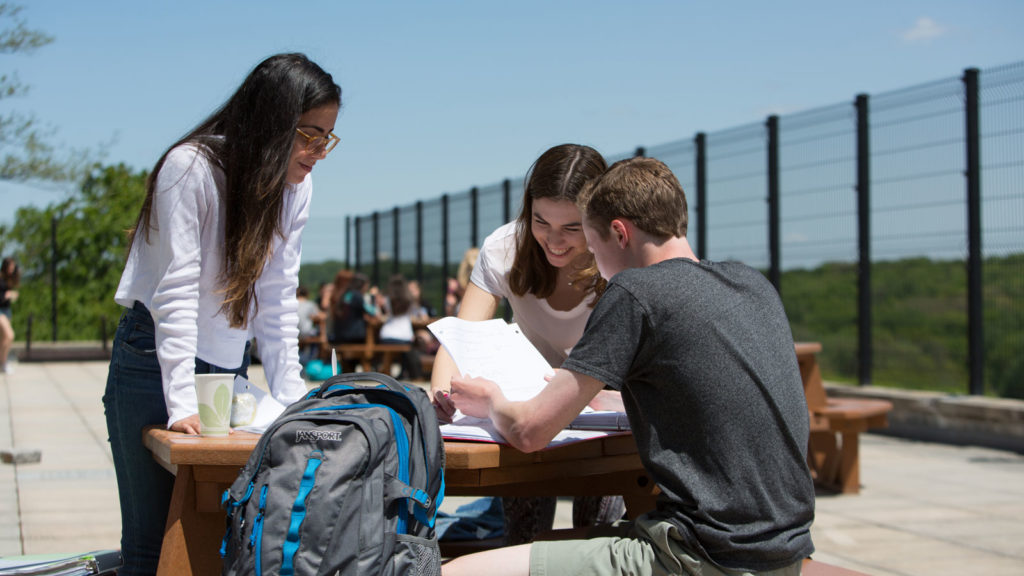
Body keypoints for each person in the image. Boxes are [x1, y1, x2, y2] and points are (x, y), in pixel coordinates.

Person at [442, 157, 816, 576]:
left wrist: (492, 399)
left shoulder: (635, 291)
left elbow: (529, 432)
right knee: (583, 535)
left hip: (700, 555)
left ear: (619, 233)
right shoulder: (752, 283)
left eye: (590, 243)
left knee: (456, 570)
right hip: (785, 554)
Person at [102, 53, 341, 576]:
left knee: (222, 542)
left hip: (226, 372)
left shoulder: (295, 188)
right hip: (153, 362)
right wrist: (181, 401)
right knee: (151, 544)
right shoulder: (190, 167)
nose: (319, 152)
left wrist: (290, 395)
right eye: (311, 135)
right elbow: (177, 290)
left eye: (328, 138)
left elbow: (279, 296)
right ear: (272, 121)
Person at [431, 144, 620, 544]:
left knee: (597, 539)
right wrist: (443, 393)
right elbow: (463, 335)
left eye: (572, 227)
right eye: (540, 221)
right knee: (525, 536)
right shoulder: (505, 248)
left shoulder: (618, 258)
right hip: (525, 406)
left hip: (602, 412)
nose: (554, 241)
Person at [379, 274, 425, 381]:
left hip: (387, 335)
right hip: (404, 336)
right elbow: (419, 315)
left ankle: (393, 373)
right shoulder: (409, 300)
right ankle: (406, 372)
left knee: (395, 352)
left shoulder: (387, 299)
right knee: (409, 349)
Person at [0, 257, 19, 374]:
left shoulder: (9, 278)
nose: (12, 268)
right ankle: (4, 363)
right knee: (10, 335)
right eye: (11, 266)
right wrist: (6, 295)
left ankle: (3, 361)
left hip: (7, 310)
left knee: (3, 339)